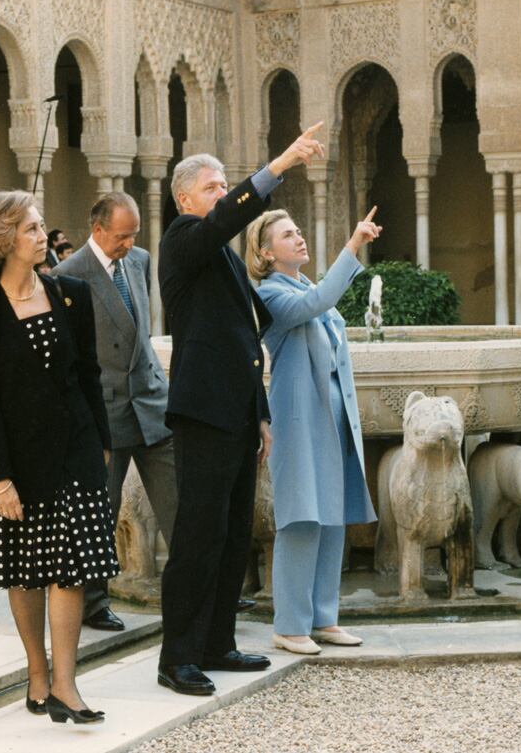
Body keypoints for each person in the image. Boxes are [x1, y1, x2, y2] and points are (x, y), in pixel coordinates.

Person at [156, 121, 327, 697]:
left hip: (236, 415)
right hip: (202, 414)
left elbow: (248, 336)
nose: (223, 195)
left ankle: (216, 643)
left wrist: (261, 415)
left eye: (226, 185)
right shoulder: (182, 239)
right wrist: (279, 165)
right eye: (213, 187)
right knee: (198, 536)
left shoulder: (224, 260)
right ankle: (176, 656)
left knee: (232, 535)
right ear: (186, 198)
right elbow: (229, 219)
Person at [0, 190, 117, 725]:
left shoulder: (71, 293)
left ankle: (67, 683)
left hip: (76, 450)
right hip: (19, 462)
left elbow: (89, 374)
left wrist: (103, 442)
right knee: (25, 571)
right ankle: (37, 671)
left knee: (70, 568)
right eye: (30, 228)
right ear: (2, 240)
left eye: (41, 226)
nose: (42, 235)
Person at [248, 207, 381, 655]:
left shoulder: (303, 285)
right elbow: (317, 304)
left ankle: (324, 618)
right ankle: (289, 625)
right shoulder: (270, 294)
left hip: (333, 418)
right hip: (298, 420)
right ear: (266, 252)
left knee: (332, 517)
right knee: (301, 518)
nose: (300, 238)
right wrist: (353, 244)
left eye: (299, 230)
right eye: (288, 235)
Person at [54, 192, 179, 633]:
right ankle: (93, 601)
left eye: (134, 235)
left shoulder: (140, 261)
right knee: (98, 511)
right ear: (98, 230)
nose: (129, 243)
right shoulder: (67, 275)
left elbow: (139, 334)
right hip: (103, 412)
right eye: (122, 236)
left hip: (151, 401)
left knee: (180, 502)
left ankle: (196, 590)